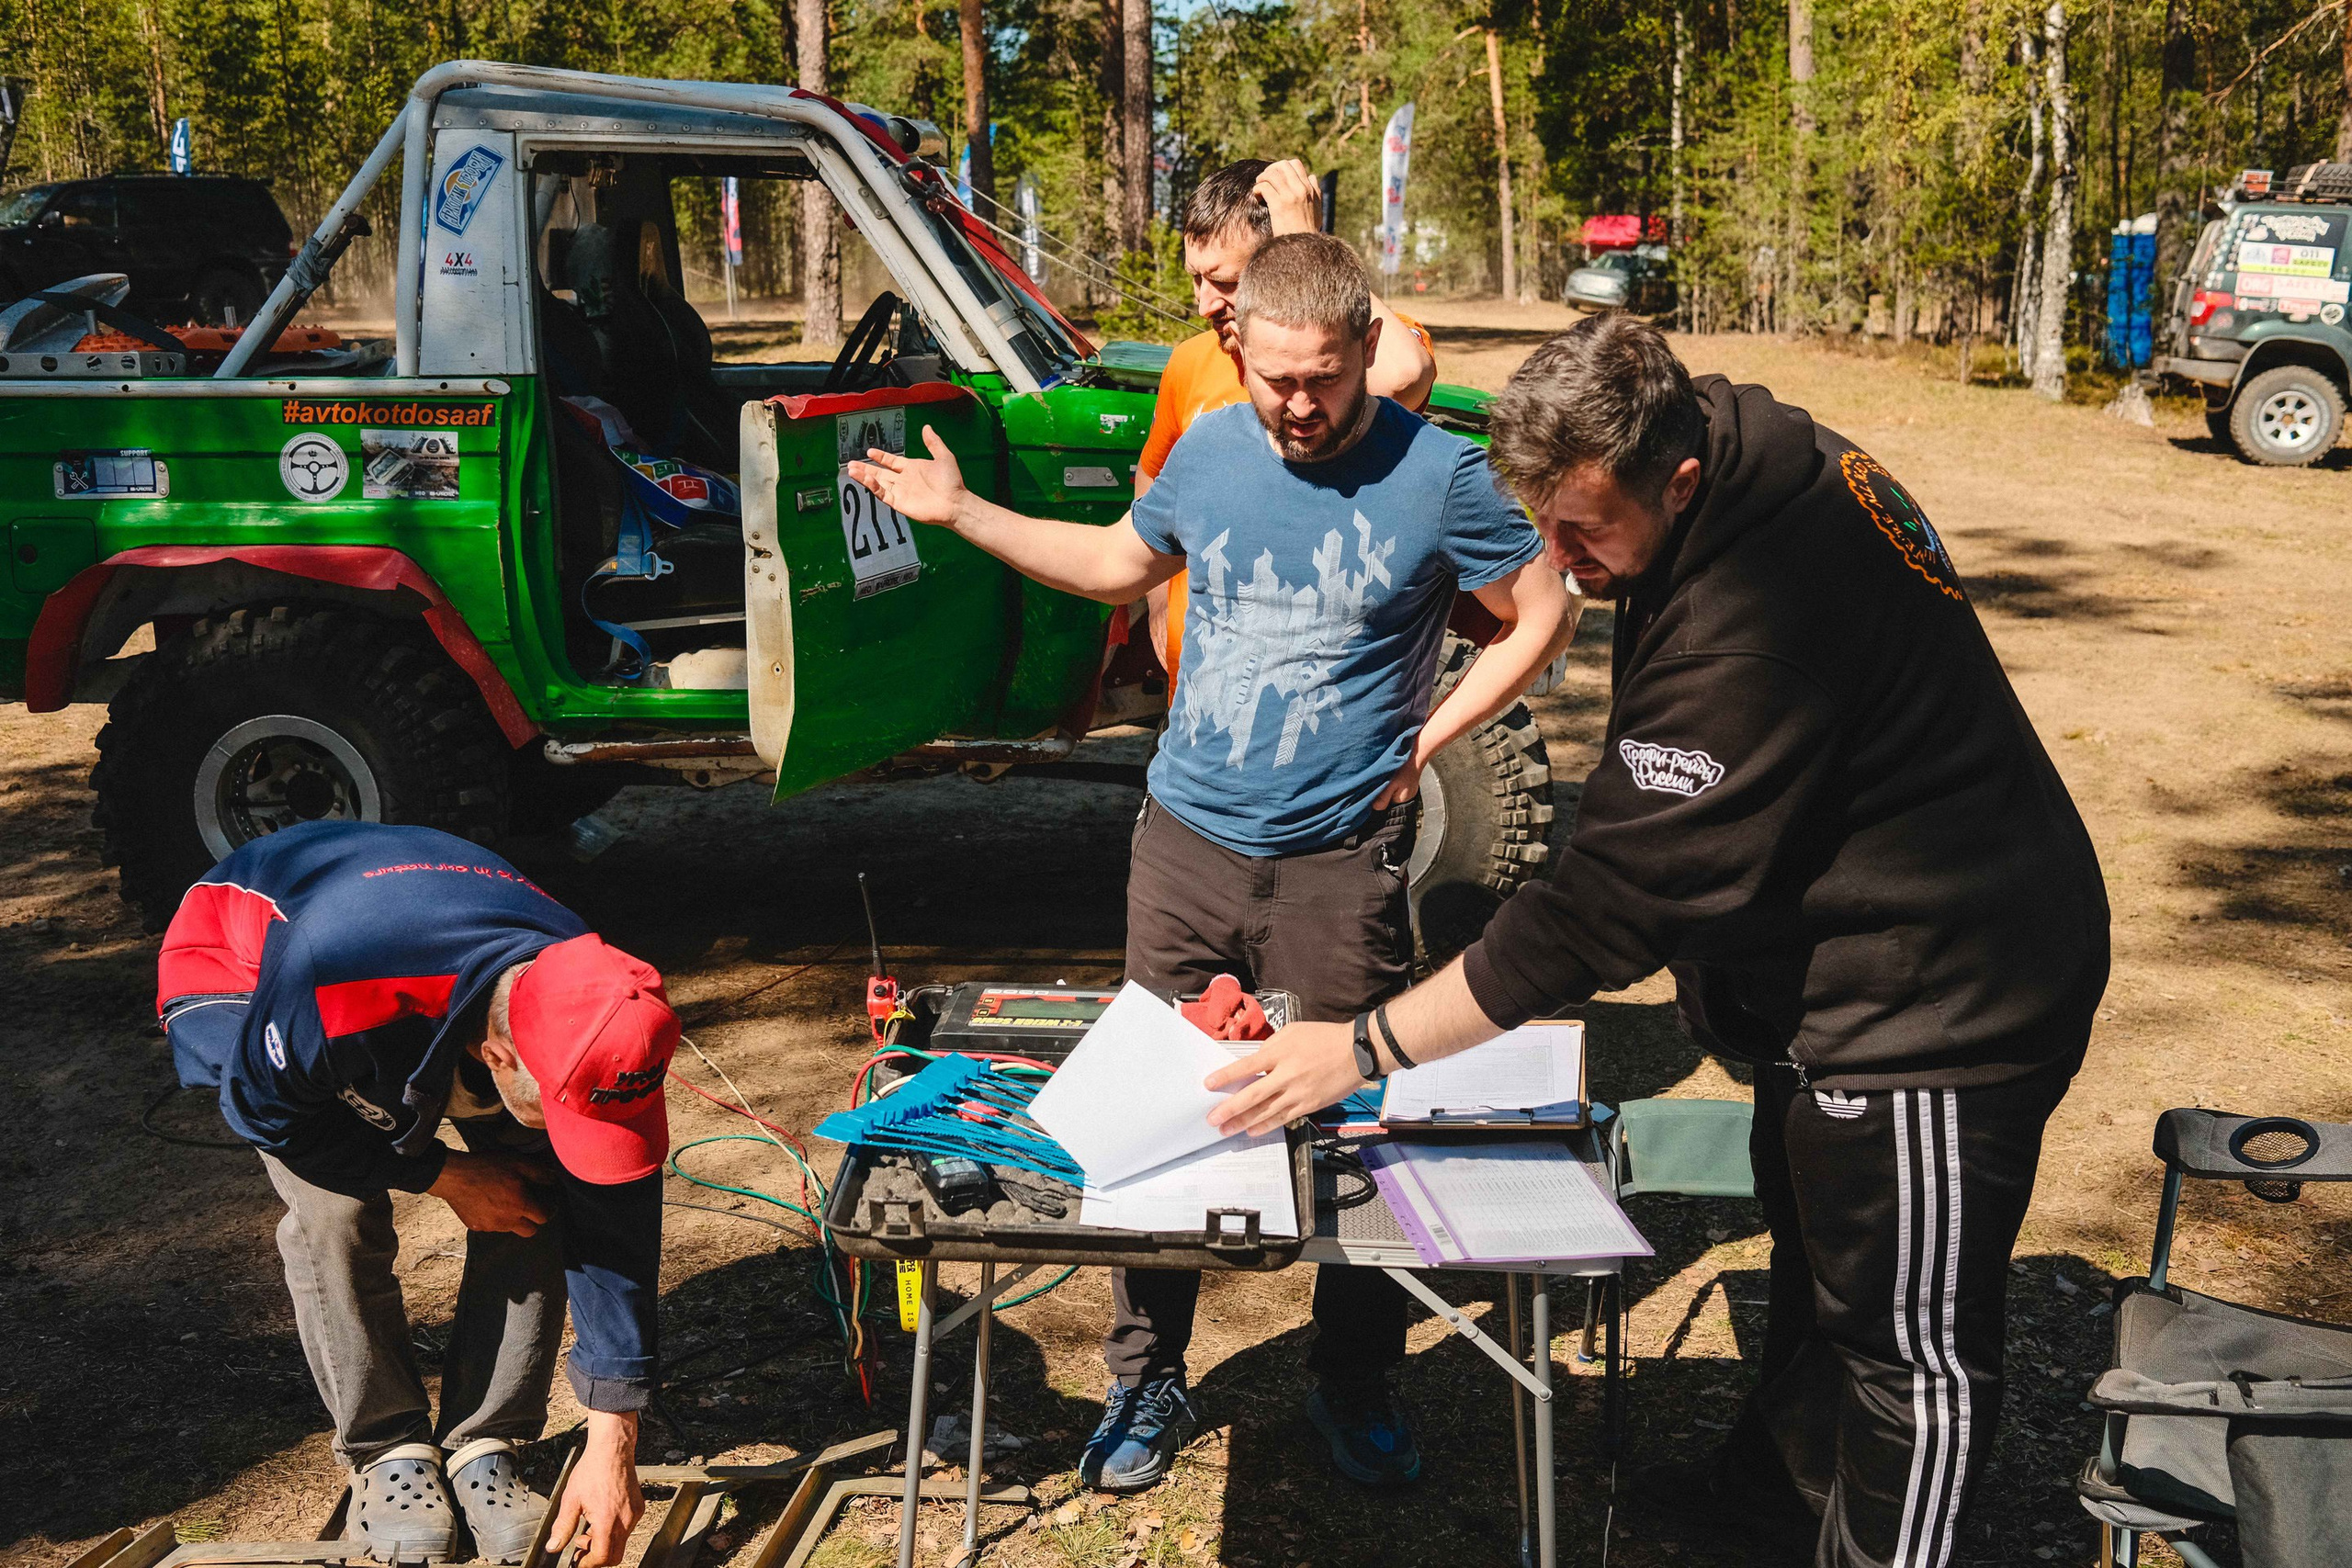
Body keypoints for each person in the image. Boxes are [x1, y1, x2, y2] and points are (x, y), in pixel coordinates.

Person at [1203, 315, 2110, 1567]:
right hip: (1834, 973)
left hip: (1945, 992)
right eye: (1544, 529)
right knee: (1821, 1280)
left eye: (1585, 531)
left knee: (1911, 1348)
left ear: (1676, 480)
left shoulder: (1750, 623)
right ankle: (1763, 1522)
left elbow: (1600, 910)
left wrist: (1362, 1046)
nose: (1561, 567)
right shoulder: (1727, 438)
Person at [848, 231, 1573, 1493]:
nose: (1298, 404)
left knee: (1347, 1121)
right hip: (1184, 841)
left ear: (1364, 349)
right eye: (1276, 375)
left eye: (1325, 379)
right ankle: (1146, 1374)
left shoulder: (1440, 475)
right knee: (1162, 1109)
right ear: (1243, 348)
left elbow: (1547, 609)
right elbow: (1121, 564)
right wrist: (963, 510)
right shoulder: (1213, 444)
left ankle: (1353, 1372)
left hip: (1339, 862)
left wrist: (1434, 732)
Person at [156, 821, 674, 1568]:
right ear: (497, 1053)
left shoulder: (592, 996)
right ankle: (386, 1449)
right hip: (245, 961)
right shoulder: (332, 982)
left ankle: (481, 1441)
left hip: (424, 972)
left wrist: (613, 1437)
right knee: (336, 1210)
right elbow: (265, 1110)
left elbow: (614, 1223)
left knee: (539, 1188)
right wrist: (444, 1174)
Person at [1136, 157, 1438, 682]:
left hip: (1310, 696)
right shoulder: (1189, 362)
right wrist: (1160, 605)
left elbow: (1404, 374)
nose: (1206, 303)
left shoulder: (1348, 352)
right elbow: (1153, 478)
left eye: (1225, 282)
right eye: (1196, 279)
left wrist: (1302, 240)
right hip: (1198, 691)